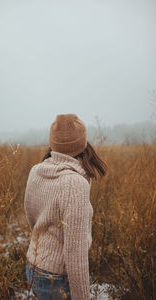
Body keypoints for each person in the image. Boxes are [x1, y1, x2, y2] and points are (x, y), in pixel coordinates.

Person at [24, 114, 107, 300]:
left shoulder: (36, 170)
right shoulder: (75, 184)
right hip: (56, 277)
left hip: (33, 266)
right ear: (83, 144)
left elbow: (31, 216)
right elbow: (75, 254)